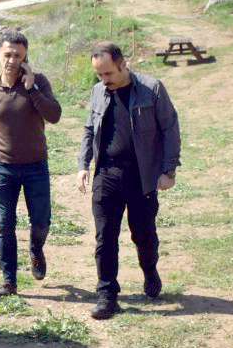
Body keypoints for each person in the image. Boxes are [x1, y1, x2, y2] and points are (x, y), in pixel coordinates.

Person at [77, 42, 180, 320]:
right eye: (98, 75)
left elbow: (170, 129)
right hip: (107, 175)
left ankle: (149, 269)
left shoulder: (152, 89)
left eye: (108, 73)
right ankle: (107, 295)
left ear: (124, 64)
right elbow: (89, 128)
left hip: (141, 177)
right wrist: (83, 165)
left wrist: (168, 170)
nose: (103, 80)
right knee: (105, 237)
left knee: (143, 236)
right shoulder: (99, 92)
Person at [0, 31, 62, 297]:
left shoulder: (38, 82)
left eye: (18, 56)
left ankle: (36, 250)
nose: (12, 60)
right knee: (5, 223)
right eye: (7, 54)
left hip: (36, 166)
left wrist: (32, 90)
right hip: (4, 168)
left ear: (25, 58)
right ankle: (9, 281)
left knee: (41, 221)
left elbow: (54, 116)